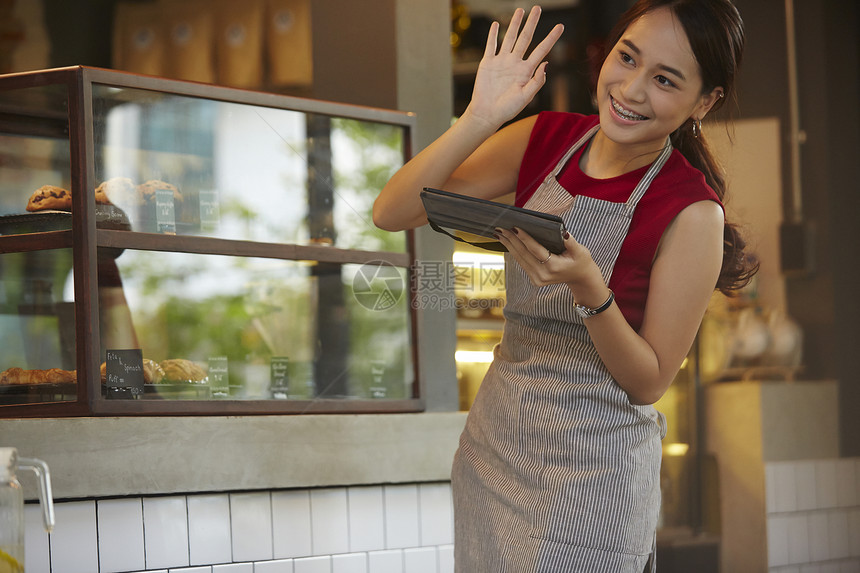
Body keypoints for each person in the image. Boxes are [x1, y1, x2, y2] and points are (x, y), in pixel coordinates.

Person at [374, 0, 756, 571]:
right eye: (627, 58)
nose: (630, 89)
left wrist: (589, 291)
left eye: (664, 80)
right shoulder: (545, 138)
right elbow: (393, 210)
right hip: (496, 451)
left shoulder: (693, 210)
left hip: (594, 482)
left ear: (705, 102)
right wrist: (480, 115)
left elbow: (649, 381)